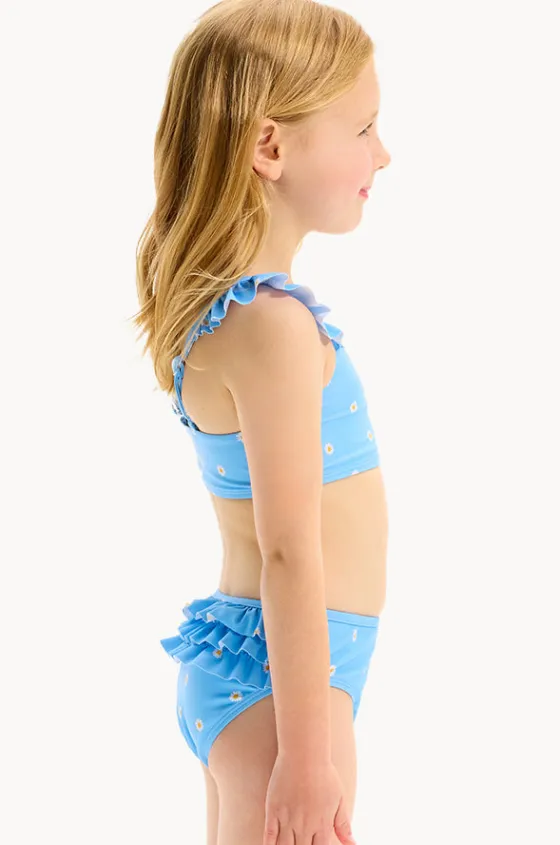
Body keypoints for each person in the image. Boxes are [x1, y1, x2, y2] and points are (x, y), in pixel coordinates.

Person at [133, 1, 391, 843]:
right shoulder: (274, 325)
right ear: (270, 147)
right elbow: (288, 549)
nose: (383, 153)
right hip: (285, 691)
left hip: (256, 669)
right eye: (363, 128)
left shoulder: (230, 312)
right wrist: (307, 757)